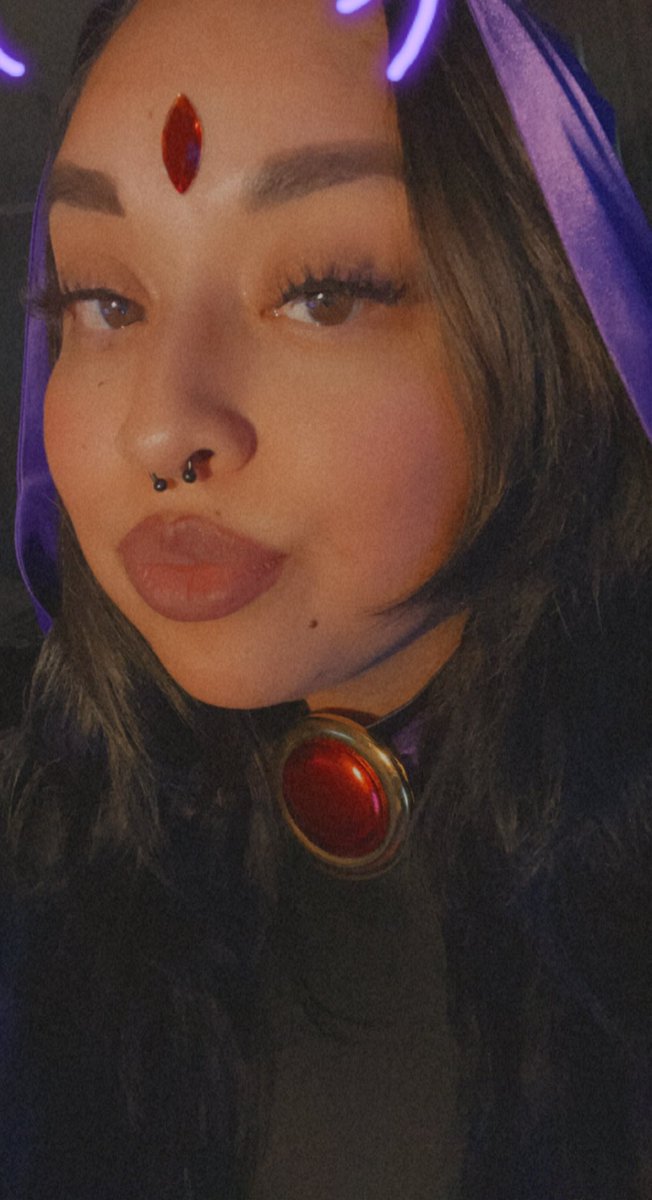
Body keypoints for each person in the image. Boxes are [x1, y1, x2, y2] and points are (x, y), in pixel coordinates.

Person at [2, 0, 652, 1196]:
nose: (160, 426)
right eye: (104, 300)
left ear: (558, 328)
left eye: (323, 294)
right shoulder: (51, 840)